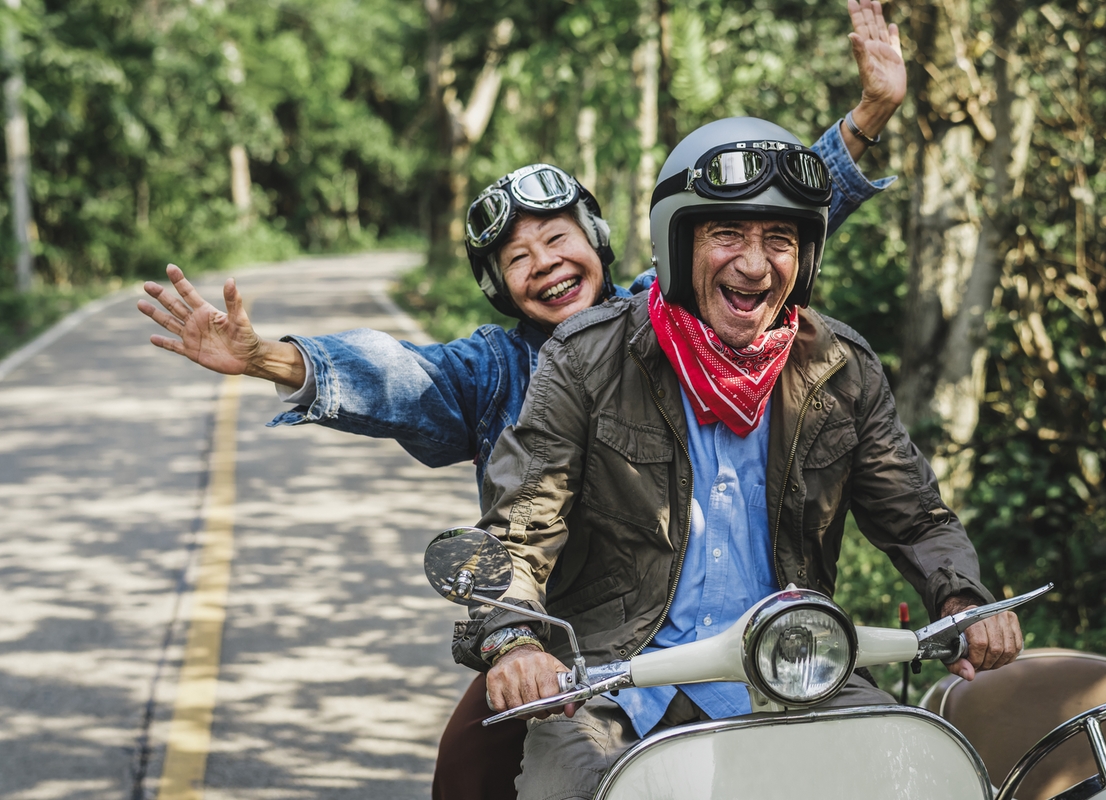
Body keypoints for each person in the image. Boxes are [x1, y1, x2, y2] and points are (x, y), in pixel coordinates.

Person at [137, 6, 907, 797]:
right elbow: (394, 373)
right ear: (498, 285)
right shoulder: (493, 369)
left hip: (742, 635)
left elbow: (763, 227)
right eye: (517, 256)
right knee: (465, 773)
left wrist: (868, 116)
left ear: (603, 241)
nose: (544, 263)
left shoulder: (671, 317)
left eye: (558, 237)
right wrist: (268, 356)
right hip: (559, 641)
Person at [456, 114, 1025, 800]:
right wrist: (515, 642)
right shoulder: (585, 358)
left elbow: (916, 518)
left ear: (804, 256)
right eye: (727, 234)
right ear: (677, 243)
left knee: (918, 778)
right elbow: (519, 530)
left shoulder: (840, 369)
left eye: (778, 240)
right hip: (616, 686)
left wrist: (963, 597)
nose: (754, 264)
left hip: (798, 669)